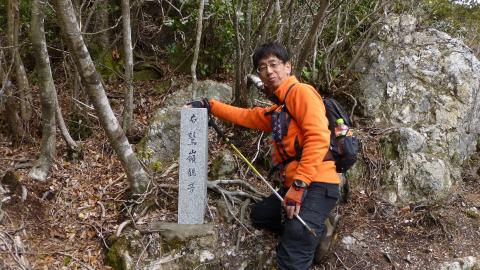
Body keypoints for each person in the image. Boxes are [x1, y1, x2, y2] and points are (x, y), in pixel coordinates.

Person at [189, 42, 340, 269]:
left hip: (317, 183)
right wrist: (210, 106)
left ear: (288, 67)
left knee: (295, 245)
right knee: (260, 215)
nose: (269, 71)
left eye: (274, 64)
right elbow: (248, 116)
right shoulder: (281, 108)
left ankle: (307, 231)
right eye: (262, 67)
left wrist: (298, 187)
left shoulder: (301, 93)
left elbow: (318, 138)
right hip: (296, 184)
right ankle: (315, 228)